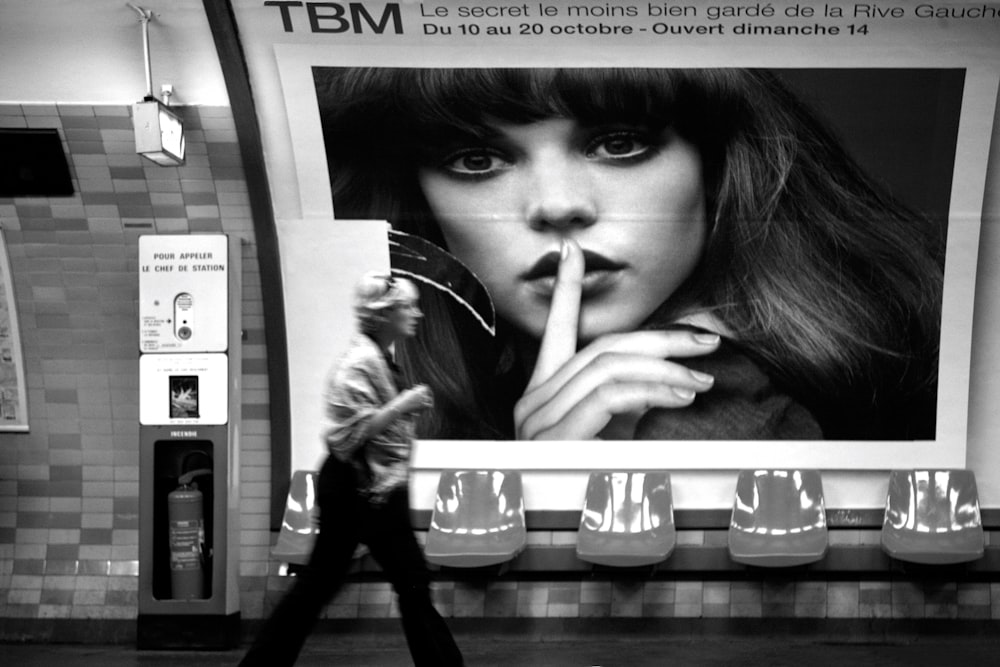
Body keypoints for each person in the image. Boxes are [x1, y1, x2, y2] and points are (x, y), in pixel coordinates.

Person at [314, 68, 944, 442]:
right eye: (477, 160)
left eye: (619, 143)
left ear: (718, 167)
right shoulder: (427, 388)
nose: (557, 206)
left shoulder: (689, 419)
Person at [239, 272, 463, 666]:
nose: (417, 313)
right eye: (406, 307)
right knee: (335, 585)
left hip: (373, 490)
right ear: (382, 315)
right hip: (355, 489)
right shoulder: (357, 365)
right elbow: (347, 437)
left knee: (400, 582)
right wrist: (402, 406)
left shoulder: (377, 359)